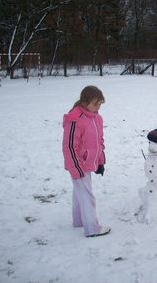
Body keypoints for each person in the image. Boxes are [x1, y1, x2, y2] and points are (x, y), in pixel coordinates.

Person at [62, 85, 111, 237]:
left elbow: (99, 141)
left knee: (79, 194)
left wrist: (100, 162)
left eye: (100, 104)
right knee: (86, 195)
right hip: (78, 164)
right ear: (84, 102)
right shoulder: (75, 119)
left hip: (88, 163)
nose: (98, 107)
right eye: (95, 104)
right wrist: (76, 168)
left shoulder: (97, 118)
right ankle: (92, 228)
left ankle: (79, 221)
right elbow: (69, 146)